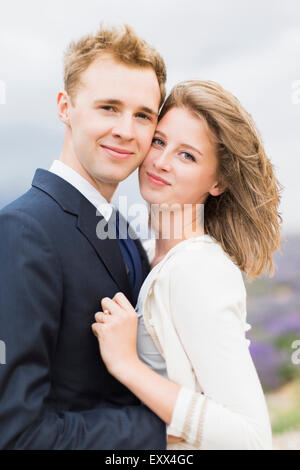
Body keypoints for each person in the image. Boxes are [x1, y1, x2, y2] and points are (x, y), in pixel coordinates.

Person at [0, 24, 168, 449]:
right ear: (65, 107)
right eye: (108, 108)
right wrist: (172, 425)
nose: (127, 131)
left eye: (143, 115)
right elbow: (16, 434)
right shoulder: (24, 231)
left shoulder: (125, 230)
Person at [92, 80, 282, 450]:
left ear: (218, 181)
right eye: (160, 141)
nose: (161, 162)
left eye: (187, 155)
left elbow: (251, 439)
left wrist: (126, 364)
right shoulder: (147, 252)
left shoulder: (196, 271)